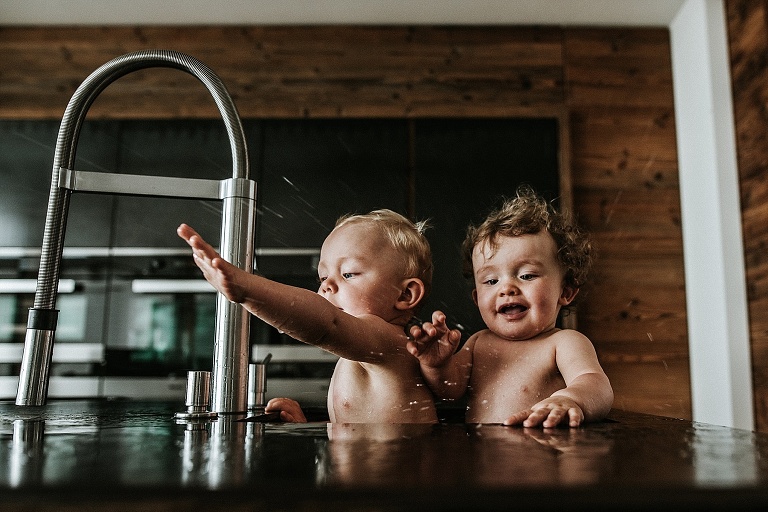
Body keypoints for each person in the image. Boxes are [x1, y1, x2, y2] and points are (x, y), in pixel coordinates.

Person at [178, 209, 438, 423]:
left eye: (348, 274)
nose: (327, 287)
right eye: (323, 277)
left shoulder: (390, 342)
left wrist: (245, 288)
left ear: (405, 295)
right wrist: (307, 426)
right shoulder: (364, 352)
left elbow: (328, 324)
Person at [407, 186, 613, 427]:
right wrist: (437, 364)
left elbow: (596, 385)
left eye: (526, 275)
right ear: (477, 299)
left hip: (542, 457)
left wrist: (570, 399)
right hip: (484, 460)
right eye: (492, 281)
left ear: (565, 292)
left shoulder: (564, 343)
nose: (507, 288)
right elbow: (449, 391)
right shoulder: (478, 344)